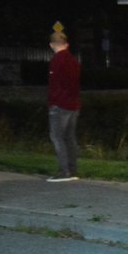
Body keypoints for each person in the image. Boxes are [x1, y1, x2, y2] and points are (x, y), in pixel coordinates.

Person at [46, 27, 81, 182]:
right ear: (66, 44)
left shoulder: (57, 60)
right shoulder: (73, 61)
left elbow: (56, 85)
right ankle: (72, 169)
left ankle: (63, 170)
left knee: (56, 136)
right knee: (69, 137)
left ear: (52, 45)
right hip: (74, 104)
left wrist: (54, 101)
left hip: (60, 105)